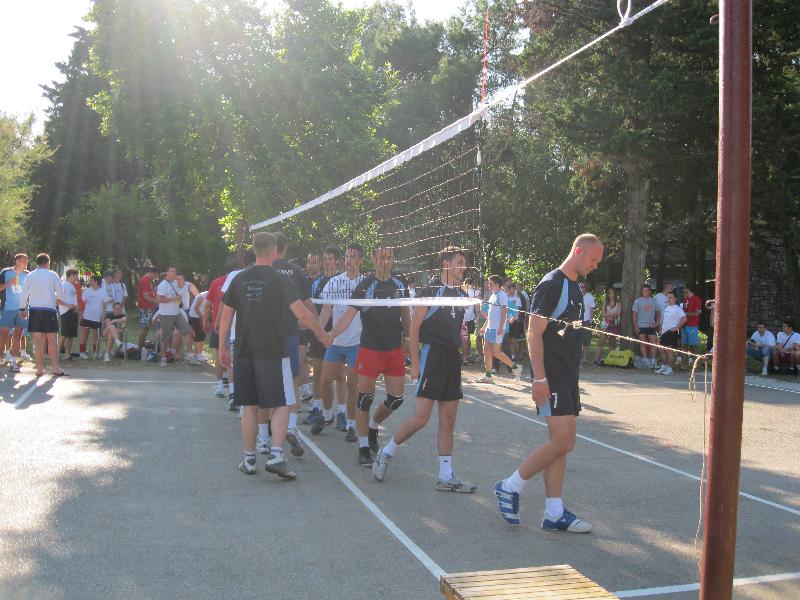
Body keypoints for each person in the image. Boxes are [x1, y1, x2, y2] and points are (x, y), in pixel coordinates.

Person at [494, 233, 604, 532]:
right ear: (578, 251)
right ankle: (510, 486)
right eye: (593, 259)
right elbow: (533, 333)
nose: (595, 266)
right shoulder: (552, 283)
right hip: (551, 376)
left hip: (567, 375)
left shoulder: (575, 287)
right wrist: (539, 378)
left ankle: (554, 512)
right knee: (564, 441)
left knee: (560, 445)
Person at [218, 232, 331, 479]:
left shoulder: (239, 278)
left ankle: (249, 459)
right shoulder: (280, 279)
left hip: (244, 351)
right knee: (283, 403)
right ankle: (277, 456)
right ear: (274, 251)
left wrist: (222, 348)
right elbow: (302, 313)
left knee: (249, 405)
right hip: (273, 351)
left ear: (255, 250)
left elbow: (225, 317)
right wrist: (322, 333)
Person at [373, 246, 476, 493]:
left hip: (452, 359)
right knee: (421, 418)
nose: (463, 266)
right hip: (432, 356)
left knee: (448, 420)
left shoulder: (462, 295)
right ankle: (386, 453)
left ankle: (446, 476)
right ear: (446, 264)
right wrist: (415, 365)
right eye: (459, 261)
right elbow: (414, 328)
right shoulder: (429, 291)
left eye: (464, 262)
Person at [325, 244, 410, 466]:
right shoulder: (365, 285)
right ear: (374, 259)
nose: (385, 261)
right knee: (365, 399)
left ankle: (373, 426)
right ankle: (363, 447)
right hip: (370, 348)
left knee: (396, 399)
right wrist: (332, 334)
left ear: (392, 260)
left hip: (393, 349)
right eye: (381, 257)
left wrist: (410, 339)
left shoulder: (400, 283)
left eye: (389, 257)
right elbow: (348, 315)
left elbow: (405, 313)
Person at [313, 244, 365, 439]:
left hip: (357, 342)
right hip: (335, 341)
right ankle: (328, 415)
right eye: (347, 256)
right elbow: (326, 309)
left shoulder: (365, 283)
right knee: (325, 381)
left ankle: (351, 424)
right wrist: (319, 330)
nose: (349, 260)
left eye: (353, 256)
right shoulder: (334, 282)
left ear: (360, 260)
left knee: (352, 383)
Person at [303, 246, 343, 425]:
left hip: (338, 333)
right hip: (319, 332)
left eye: (330, 259)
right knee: (318, 372)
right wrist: (316, 328)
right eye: (325, 259)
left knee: (340, 375)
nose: (327, 262)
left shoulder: (342, 280)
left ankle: (341, 412)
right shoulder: (316, 282)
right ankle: (317, 408)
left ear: (337, 262)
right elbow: (311, 307)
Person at [19, 253, 71, 377]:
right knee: (52, 340)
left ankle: (39, 369)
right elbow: (60, 293)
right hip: (49, 310)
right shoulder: (53, 275)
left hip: (34, 310)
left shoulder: (30, 275)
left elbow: (24, 293)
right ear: (48, 263)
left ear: (37, 263)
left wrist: (22, 308)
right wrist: (53, 297)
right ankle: (55, 368)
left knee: (37, 341)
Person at [475, 275, 521, 383]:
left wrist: (501, 328)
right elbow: (490, 314)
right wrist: (484, 326)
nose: (488, 285)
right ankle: (488, 375)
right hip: (490, 328)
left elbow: (504, 312)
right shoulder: (493, 295)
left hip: (497, 328)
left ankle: (515, 367)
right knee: (486, 350)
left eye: (490, 283)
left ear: (496, 284)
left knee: (495, 352)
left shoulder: (502, 295)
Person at [207, 257, 239, 395]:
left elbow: (211, 303)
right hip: (234, 323)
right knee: (233, 356)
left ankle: (220, 386)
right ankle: (233, 389)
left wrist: (208, 320)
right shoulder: (242, 277)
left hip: (221, 322)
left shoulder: (217, 282)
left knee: (220, 353)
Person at [156, 267, 193, 366]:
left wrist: (178, 299)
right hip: (166, 314)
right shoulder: (163, 285)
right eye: (171, 271)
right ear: (167, 273)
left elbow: (180, 293)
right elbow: (158, 299)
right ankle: (164, 358)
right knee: (166, 337)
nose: (174, 273)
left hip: (177, 313)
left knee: (188, 331)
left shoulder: (176, 283)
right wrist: (173, 299)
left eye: (175, 271)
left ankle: (190, 355)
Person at [0, 253, 30, 373]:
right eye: (24, 261)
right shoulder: (6, 272)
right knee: (3, 335)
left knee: (18, 335)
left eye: (27, 261)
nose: (26, 263)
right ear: (17, 261)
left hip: (22, 309)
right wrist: (8, 283)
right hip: (7, 308)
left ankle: (13, 362)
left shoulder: (28, 274)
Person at [299, 251, 322, 402]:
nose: (311, 266)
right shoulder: (302, 280)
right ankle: (304, 388)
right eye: (309, 262)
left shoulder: (325, 281)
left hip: (319, 324)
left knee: (316, 361)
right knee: (301, 357)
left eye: (314, 262)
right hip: (302, 324)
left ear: (320, 264)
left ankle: (318, 398)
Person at [656, 291, 686, 375]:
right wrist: (661, 329)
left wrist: (677, 327)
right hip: (664, 332)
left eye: (671, 297)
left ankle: (669, 369)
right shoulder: (667, 307)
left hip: (671, 332)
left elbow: (684, 318)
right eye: (668, 297)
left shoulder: (677, 308)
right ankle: (664, 366)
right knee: (661, 349)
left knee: (669, 351)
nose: (669, 299)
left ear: (675, 299)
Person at [632, 284, 660, 368]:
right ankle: (645, 360)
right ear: (642, 291)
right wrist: (636, 326)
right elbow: (634, 315)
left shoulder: (653, 301)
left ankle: (653, 360)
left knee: (654, 342)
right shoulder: (637, 301)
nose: (645, 292)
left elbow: (658, 311)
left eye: (647, 290)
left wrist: (657, 322)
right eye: (644, 290)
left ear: (650, 291)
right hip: (641, 325)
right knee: (642, 343)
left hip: (651, 325)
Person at [79, 275, 106, 359]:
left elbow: (104, 305)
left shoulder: (103, 291)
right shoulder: (87, 290)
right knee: (84, 334)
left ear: (96, 282)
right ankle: (82, 352)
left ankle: (95, 352)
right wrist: (81, 314)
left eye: (91, 280)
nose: (89, 282)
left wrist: (103, 317)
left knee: (96, 336)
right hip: (87, 316)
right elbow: (82, 303)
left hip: (97, 317)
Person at [593, 288, 621, 366]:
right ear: (608, 294)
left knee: (612, 343)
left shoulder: (618, 303)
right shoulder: (605, 303)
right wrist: (613, 314)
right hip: (605, 324)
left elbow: (619, 313)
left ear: (615, 294)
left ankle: (610, 360)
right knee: (601, 342)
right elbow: (603, 315)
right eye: (609, 293)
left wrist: (608, 314)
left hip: (614, 324)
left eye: (612, 293)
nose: (611, 295)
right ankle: (596, 359)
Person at [59, 269, 80, 361]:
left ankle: (67, 354)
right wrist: (68, 305)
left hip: (73, 312)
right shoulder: (63, 285)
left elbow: (74, 299)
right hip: (65, 312)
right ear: (71, 275)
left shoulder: (72, 286)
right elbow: (57, 300)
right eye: (76, 276)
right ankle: (55, 353)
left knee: (70, 335)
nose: (77, 278)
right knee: (64, 334)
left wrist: (76, 307)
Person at [137, 266, 159, 350]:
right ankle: (139, 348)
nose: (155, 278)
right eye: (155, 276)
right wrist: (157, 302)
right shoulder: (145, 280)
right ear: (152, 273)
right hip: (145, 308)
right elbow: (145, 296)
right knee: (144, 328)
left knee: (147, 328)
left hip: (149, 308)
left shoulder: (149, 281)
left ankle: (143, 346)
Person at [187, 290, 210, 363]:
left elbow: (207, 309)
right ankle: (198, 354)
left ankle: (200, 353)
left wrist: (205, 319)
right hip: (194, 317)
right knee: (198, 336)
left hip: (200, 317)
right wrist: (203, 318)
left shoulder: (210, 297)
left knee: (202, 335)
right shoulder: (202, 296)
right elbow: (196, 308)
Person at [461, 277, 479, 364]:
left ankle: (466, 356)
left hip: (466, 318)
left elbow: (476, 305)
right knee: (466, 338)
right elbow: (477, 306)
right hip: (466, 318)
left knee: (466, 338)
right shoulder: (475, 291)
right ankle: (466, 357)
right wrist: (477, 315)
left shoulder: (463, 290)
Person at [680, 285, 702, 355]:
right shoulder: (685, 299)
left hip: (692, 325)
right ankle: (685, 361)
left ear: (688, 289)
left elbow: (696, 313)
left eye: (684, 288)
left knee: (693, 345)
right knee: (684, 345)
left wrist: (684, 313)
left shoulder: (696, 299)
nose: (683, 289)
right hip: (683, 325)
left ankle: (695, 360)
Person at [578, 282, 595, 365]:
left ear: (585, 288)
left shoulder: (589, 296)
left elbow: (592, 309)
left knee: (586, 340)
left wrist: (591, 319)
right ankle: (577, 356)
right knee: (577, 339)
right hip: (577, 321)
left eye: (583, 287)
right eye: (580, 287)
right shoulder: (576, 295)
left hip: (586, 320)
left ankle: (584, 358)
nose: (581, 288)